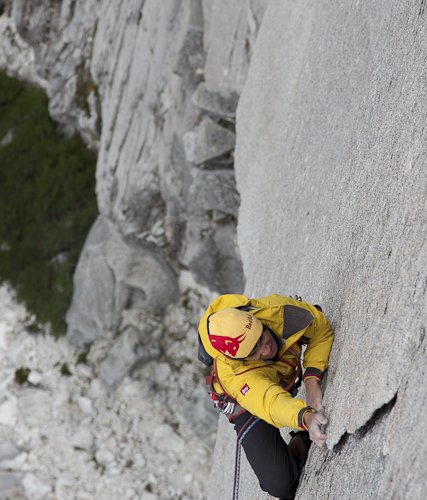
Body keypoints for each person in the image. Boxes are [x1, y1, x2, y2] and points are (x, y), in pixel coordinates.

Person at [198, 293, 334, 499]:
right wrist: (305, 417)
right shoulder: (236, 376)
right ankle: (299, 442)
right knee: (280, 484)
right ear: (240, 358)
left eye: (261, 336)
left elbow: (320, 327)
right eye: (255, 350)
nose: (266, 347)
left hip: (277, 374)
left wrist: (312, 380)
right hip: (247, 402)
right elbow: (269, 402)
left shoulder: (271, 310)